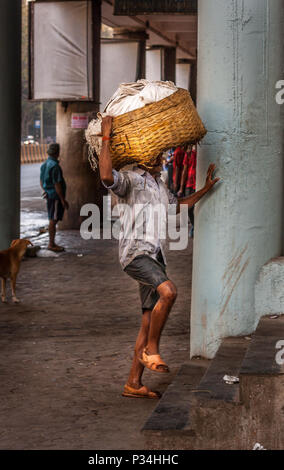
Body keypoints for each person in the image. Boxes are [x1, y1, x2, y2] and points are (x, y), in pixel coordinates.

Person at [99, 116, 219, 399]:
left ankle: (133, 383)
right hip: (135, 254)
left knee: (146, 319)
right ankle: (152, 350)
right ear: (145, 155)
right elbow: (106, 177)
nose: (163, 157)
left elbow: (179, 205)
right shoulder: (130, 179)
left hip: (155, 255)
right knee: (169, 292)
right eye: (158, 153)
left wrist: (205, 189)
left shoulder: (158, 185)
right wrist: (106, 136)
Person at [40, 143, 69, 252]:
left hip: (49, 195)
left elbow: (41, 181)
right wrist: (63, 200)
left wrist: (45, 190)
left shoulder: (45, 164)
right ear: (57, 153)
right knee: (53, 219)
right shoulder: (55, 166)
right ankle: (51, 244)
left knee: (52, 217)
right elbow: (57, 184)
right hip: (55, 196)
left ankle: (52, 243)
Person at [178, 145, 197, 237]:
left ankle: (197, 226)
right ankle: (194, 225)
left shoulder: (198, 153)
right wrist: (181, 188)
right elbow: (184, 171)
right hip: (190, 183)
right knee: (189, 207)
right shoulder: (188, 154)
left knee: (198, 207)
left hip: (198, 183)